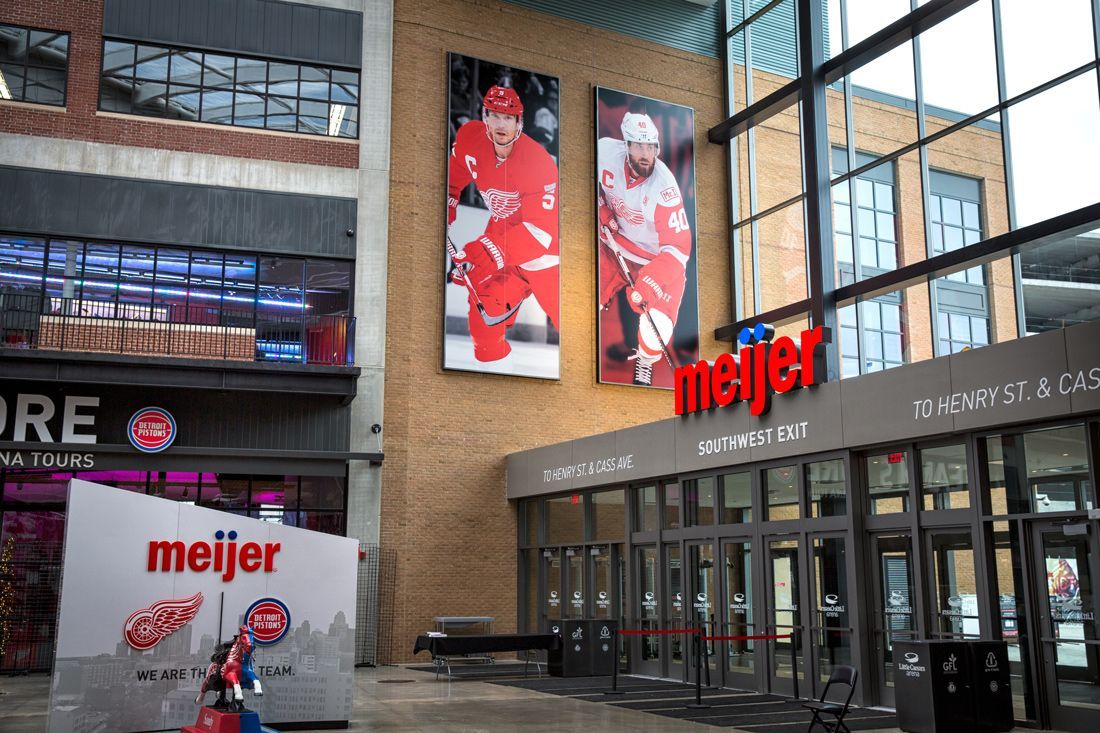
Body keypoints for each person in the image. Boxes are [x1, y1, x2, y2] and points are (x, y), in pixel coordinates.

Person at [447, 85, 560, 362]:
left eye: (508, 118)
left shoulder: (539, 162)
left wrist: (484, 253)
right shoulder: (469, 138)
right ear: (484, 117)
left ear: (519, 122)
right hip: (504, 246)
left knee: (579, 331)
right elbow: (452, 177)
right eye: (495, 115)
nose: (501, 124)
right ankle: (493, 369)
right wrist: (445, 208)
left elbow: (540, 234)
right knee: (482, 314)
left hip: (548, 259)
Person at [597, 111, 692, 385]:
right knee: (583, 298)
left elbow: (678, 250)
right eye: (639, 146)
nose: (645, 154)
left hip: (656, 261)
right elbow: (579, 178)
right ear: (626, 144)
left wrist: (650, 282)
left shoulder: (664, 188)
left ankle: (646, 359)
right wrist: (600, 206)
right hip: (613, 246)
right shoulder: (605, 151)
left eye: (650, 147)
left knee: (655, 332)